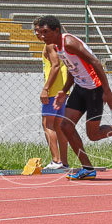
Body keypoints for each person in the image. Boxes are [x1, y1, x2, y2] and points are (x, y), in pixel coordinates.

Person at [32, 15, 112, 180]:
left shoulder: (69, 43)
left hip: (95, 89)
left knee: (93, 135)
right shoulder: (57, 47)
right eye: (40, 32)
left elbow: (95, 62)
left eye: (46, 32)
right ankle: (87, 168)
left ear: (56, 30)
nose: (42, 36)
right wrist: (64, 90)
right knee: (66, 126)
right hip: (80, 88)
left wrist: (107, 91)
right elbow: (73, 70)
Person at [40, 40, 69, 170]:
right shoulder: (61, 44)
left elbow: (55, 65)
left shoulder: (49, 45)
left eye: (39, 30)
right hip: (63, 89)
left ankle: (56, 160)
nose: (37, 34)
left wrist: (46, 88)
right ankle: (64, 161)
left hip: (53, 90)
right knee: (59, 125)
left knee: (48, 124)